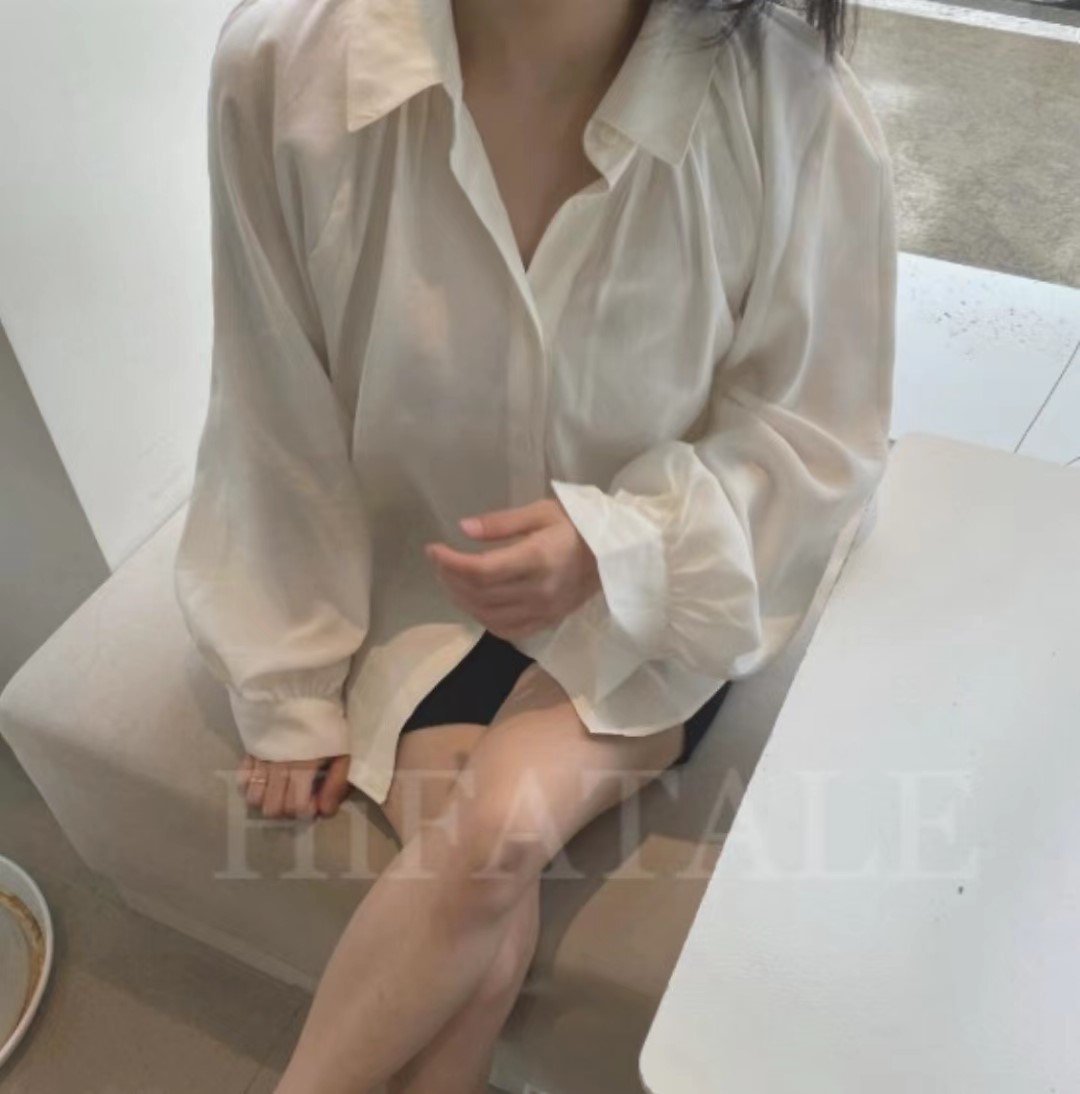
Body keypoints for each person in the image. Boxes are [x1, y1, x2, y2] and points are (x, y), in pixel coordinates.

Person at [173, 0, 896, 1088]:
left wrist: (619, 545)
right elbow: (270, 394)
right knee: (485, 916)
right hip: (426, 578)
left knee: (503, 826)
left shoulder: (795, 108)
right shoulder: (281, 70)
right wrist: (290, 675)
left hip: (671, 595)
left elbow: (816, 437)